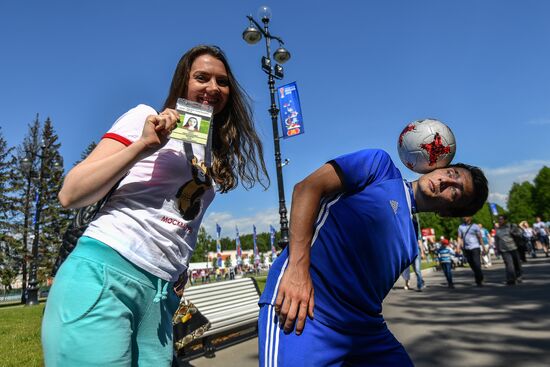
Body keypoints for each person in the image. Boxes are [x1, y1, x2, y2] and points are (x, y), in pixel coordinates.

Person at [41, 45, 269, 367]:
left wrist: (179, 263)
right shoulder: (144, 119)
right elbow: (71, 193)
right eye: (202, 77)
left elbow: (179, 215)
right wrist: (144, 146)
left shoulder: (209, 152)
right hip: (107, 272)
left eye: (222, 81)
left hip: (162, 297)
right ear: (182, 83)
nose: (213, 88)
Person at [258, 149, 488, 366]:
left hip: (362, 329)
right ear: (435, 167)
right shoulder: (380, 167)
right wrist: (297, 271)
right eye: (452, 173)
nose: (446, 182)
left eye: (455, 192)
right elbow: (306, 188)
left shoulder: (411, 244)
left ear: (447, 212)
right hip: (306, 311)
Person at [494, 214, 523, 285]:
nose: (500, 220)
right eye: (499, 219)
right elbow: (497, 240)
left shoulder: (511, 226)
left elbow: (519, 233)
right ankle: (511, 279)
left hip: (513, 247)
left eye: (501, 219)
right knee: (509, 264)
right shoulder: (498, 229)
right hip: (504, 250)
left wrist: (514, 232)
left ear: (505, 220)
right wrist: (497, 249)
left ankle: (518, 276)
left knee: (517, 264)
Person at [457, 216, 485, 286]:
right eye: (464, 217)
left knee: (477, 264)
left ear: (470, 218)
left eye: (466, 216)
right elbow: (459, 238)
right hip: (466, 248)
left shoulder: (475, 226)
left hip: (475, 247)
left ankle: (479, 280)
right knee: (472, 264)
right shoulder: (460, 227)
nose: (464, 218)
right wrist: (458, 247)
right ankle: (479, 275)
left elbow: (480, 237)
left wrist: (483, 247)